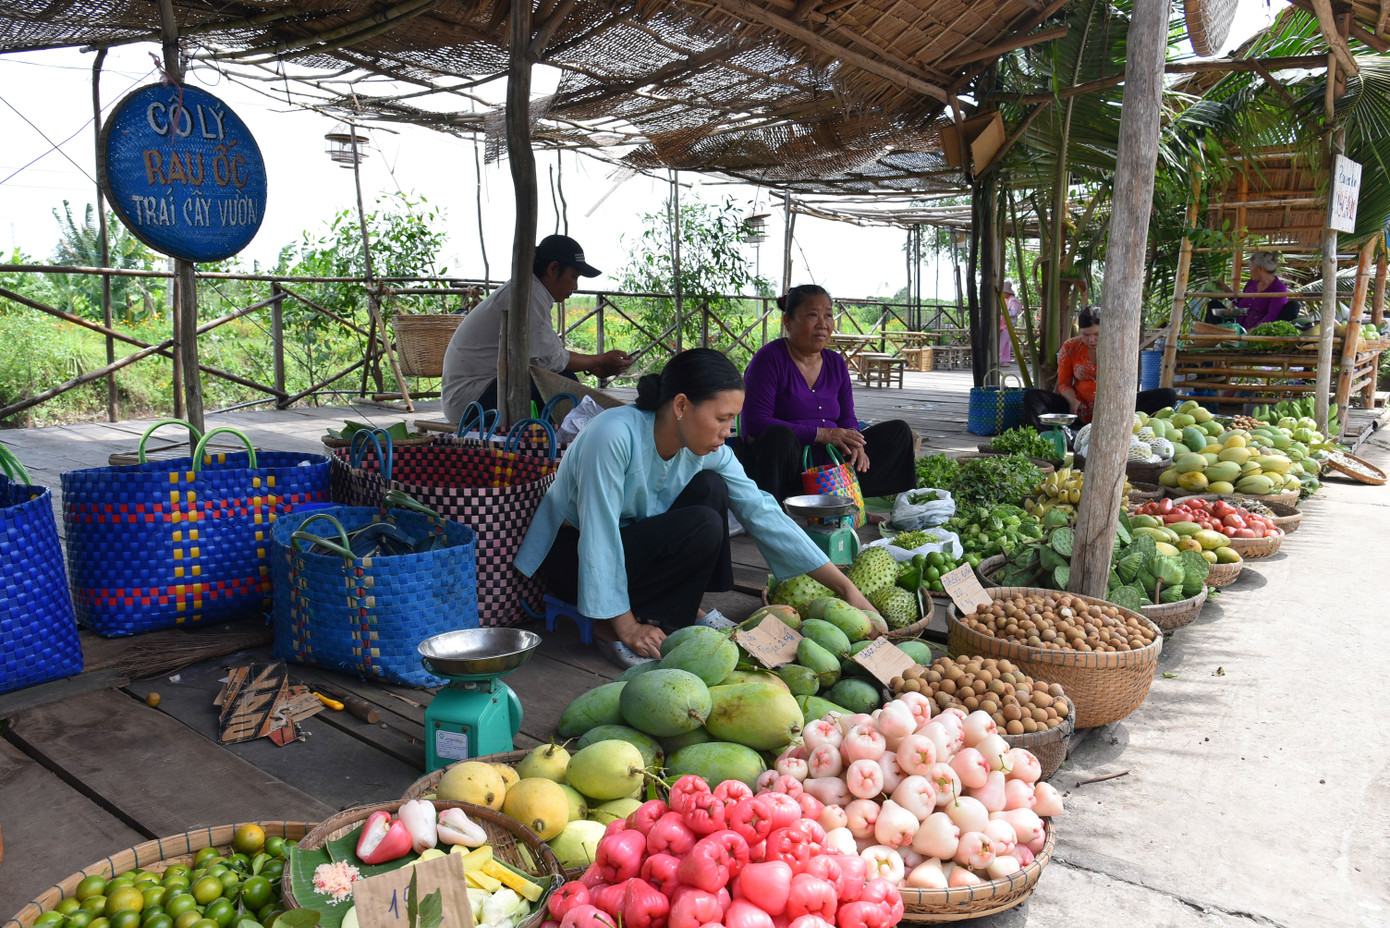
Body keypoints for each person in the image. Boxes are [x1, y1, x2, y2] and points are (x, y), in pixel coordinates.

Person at [514, 348, 875, 667]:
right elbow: (598, 534)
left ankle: (683, 611)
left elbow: (762, 511)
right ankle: (605, 625)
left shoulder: (707, 449)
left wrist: (847, 590)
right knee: (702, 522)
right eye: (721, 419)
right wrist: (626, 627)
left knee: (712, 488)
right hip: (574, 557)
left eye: (732, 419)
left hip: (630, 550)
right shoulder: (612, 435)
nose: (728, 431)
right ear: (682, 405)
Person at [737, 284, 917, 504]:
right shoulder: (769, 359)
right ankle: (781, 509)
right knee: (779, 435)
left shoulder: (836, 363)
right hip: (785, 466)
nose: (823, 324)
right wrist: (820, 434)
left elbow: (847, 416)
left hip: (831, 464)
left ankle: (856, 501)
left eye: (828, 315)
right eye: (813, 315)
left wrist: (854, 439)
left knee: (898, 432)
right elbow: (756, 424)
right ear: (788, 322)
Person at [440, 234, 633, 421]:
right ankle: (559, 443)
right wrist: (599, 360)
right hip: (470, 399)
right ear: (553, 269)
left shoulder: (531, 291)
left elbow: (546, 357)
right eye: (573, 276)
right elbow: (552, 358)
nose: (575, 286)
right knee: (560, 386)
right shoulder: (528, 294)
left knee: (563, 380)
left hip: (477, 393)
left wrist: (596, 364)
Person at [1023, 305, 1177, 430]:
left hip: (1115, 409)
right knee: (1033, 397)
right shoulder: (1070, 347)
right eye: (1085, 334)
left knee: (1167, 395)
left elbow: (1126, 384)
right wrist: (1072, 401)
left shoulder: (1118, 346)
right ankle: (1047, 438)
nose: (1091, 340)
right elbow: (1064, 384)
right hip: (1077, 410)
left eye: (1097, 334)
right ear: (1079, 331)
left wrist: (1113, 404)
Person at [1212, 251, 1289, 330]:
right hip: (1236, 323)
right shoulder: (1252, 283)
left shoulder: (1279, 288)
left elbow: (1272, 316)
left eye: (1250, 268)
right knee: (1213, 306)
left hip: (1256, 330)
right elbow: (1242, 303)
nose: (1250, 272)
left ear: (1260, 268)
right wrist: (1226, 289)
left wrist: (1252, 331)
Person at [1000, 281, 1023, 366]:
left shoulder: (1013, 301)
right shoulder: (1007, 300)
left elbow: (1014, 313)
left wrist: (1003, 312)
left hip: (1008, 325)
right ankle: (1005, 360)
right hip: (1005, 324)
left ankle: (1000, 359)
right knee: (1005, 343)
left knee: (1002, 343)